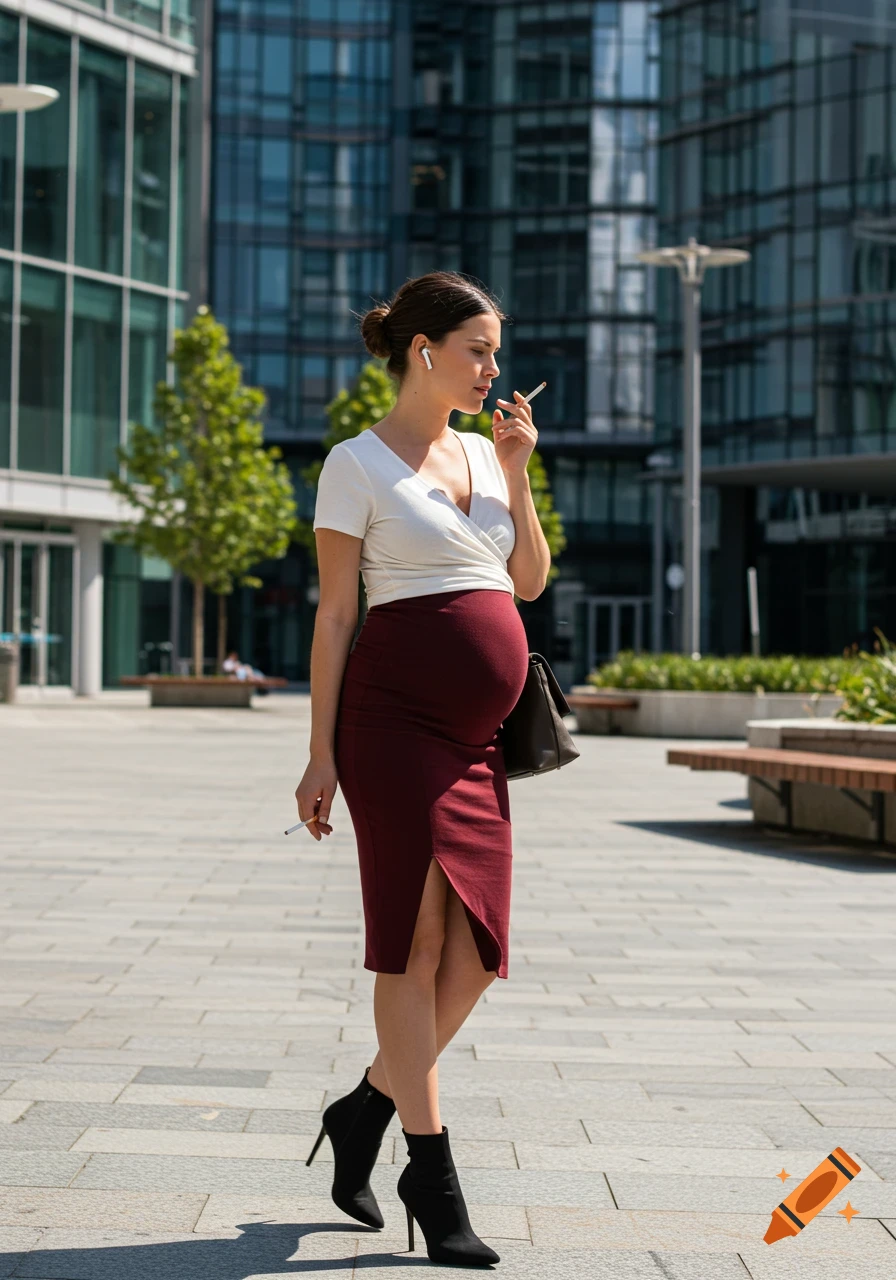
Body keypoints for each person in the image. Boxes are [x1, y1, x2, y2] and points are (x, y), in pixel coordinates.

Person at [295, 271, 550, 1267]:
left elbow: (524, 581)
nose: (494, 369)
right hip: (390, 724)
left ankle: (363, 1104)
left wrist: (521, 474)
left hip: (477, 741)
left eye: (495, 351)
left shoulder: (490, 452)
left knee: (477, 952)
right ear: (423, 351)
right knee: (412, 939)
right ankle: (428, 1168)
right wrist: (318, 753)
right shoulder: (353, 463)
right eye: (479, 350)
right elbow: (332, 615)